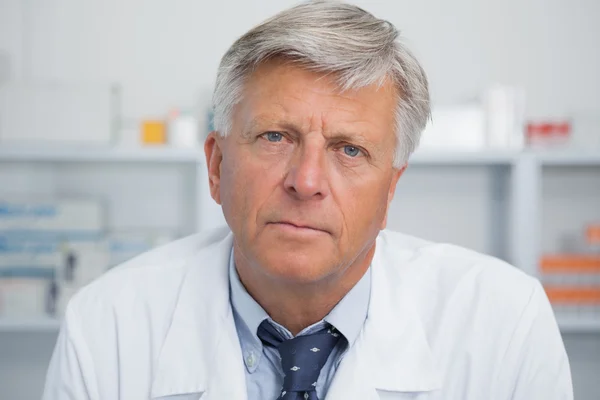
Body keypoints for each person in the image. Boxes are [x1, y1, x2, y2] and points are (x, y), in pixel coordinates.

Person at [42, 2, 573, 399]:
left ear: (390, 190)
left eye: (349, 149)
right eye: (275, 136)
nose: (307, 180)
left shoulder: (504, 323)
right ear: (217, 165)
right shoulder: (108, 325)